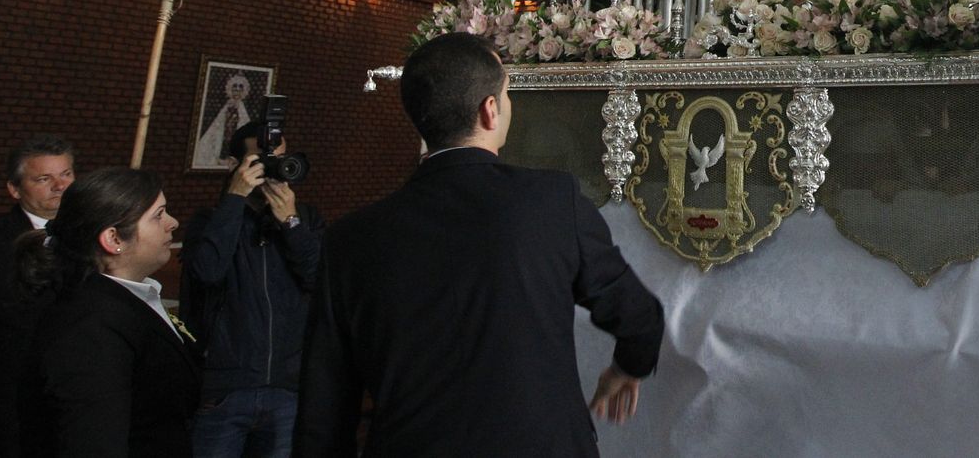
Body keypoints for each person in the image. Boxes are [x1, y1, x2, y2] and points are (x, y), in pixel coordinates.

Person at [295, 32, 665, 457]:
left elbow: (323, 410)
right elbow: (639, 317)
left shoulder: (350, 238)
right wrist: (625, 369)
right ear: (490, 110)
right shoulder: (553, 202)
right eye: (506, 94)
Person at [14, 167, 199, 457]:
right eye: (158, 215)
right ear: (113, 239)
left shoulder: (129, 297)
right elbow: (93, 441)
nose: (173, 223)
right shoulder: (88, 328)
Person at [180, 123, 323, 458]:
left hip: (286, 386)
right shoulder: (211, 220)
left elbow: (317, 277)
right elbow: (207, 272)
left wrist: (290, 222)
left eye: (281, 158)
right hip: (226, 389)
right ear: (237, 166)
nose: (274, 167)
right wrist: (235, 199)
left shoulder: (305, 219)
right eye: (262, 159)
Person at [0, 137, 76, 458]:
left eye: (67, 174)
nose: (60, 186)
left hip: (73, 386)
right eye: (44, 179)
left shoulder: (94, 235)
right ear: (15, 189)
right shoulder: (3, 239)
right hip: (13, 389)